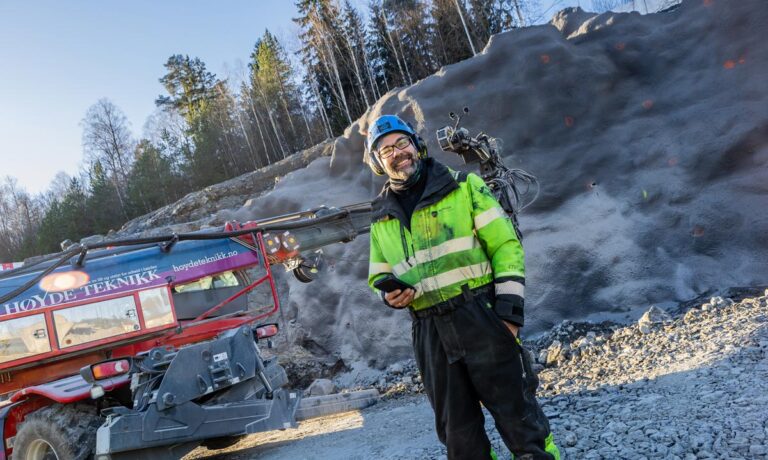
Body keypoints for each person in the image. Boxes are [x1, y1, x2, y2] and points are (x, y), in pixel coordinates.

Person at [366, 115, 560, 460]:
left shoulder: (464, 187)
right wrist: (390, 296)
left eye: (402, 143)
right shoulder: (381, 218)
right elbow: (378, 275)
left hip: (480, 315)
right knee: (459, 439)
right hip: (429, 331)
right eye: (385, 151)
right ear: (378, 164)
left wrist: (510, 315)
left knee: (521, 422)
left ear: (417, 145)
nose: (397, 153)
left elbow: (506, 247)